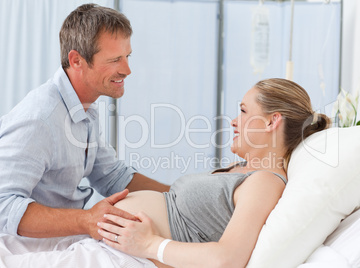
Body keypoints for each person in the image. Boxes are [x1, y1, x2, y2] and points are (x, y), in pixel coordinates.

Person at [97, 78, 331, 267]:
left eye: (243, 111)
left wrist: (149, 244)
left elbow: (226, 259)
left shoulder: (265, 182)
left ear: (272, 122)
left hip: (128, 257)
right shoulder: (242, 172)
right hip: (112, 250)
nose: (233, 121)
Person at [0, 4, 168, 240]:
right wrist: (87, 220)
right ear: (77, 60)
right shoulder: (40, 118)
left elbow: (112, 177)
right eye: (115, 59)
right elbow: (3, 206)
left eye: (127, 56)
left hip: (64, 241)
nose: (127, 69)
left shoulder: (83, 109)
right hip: (28, 248)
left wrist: (180, 198)